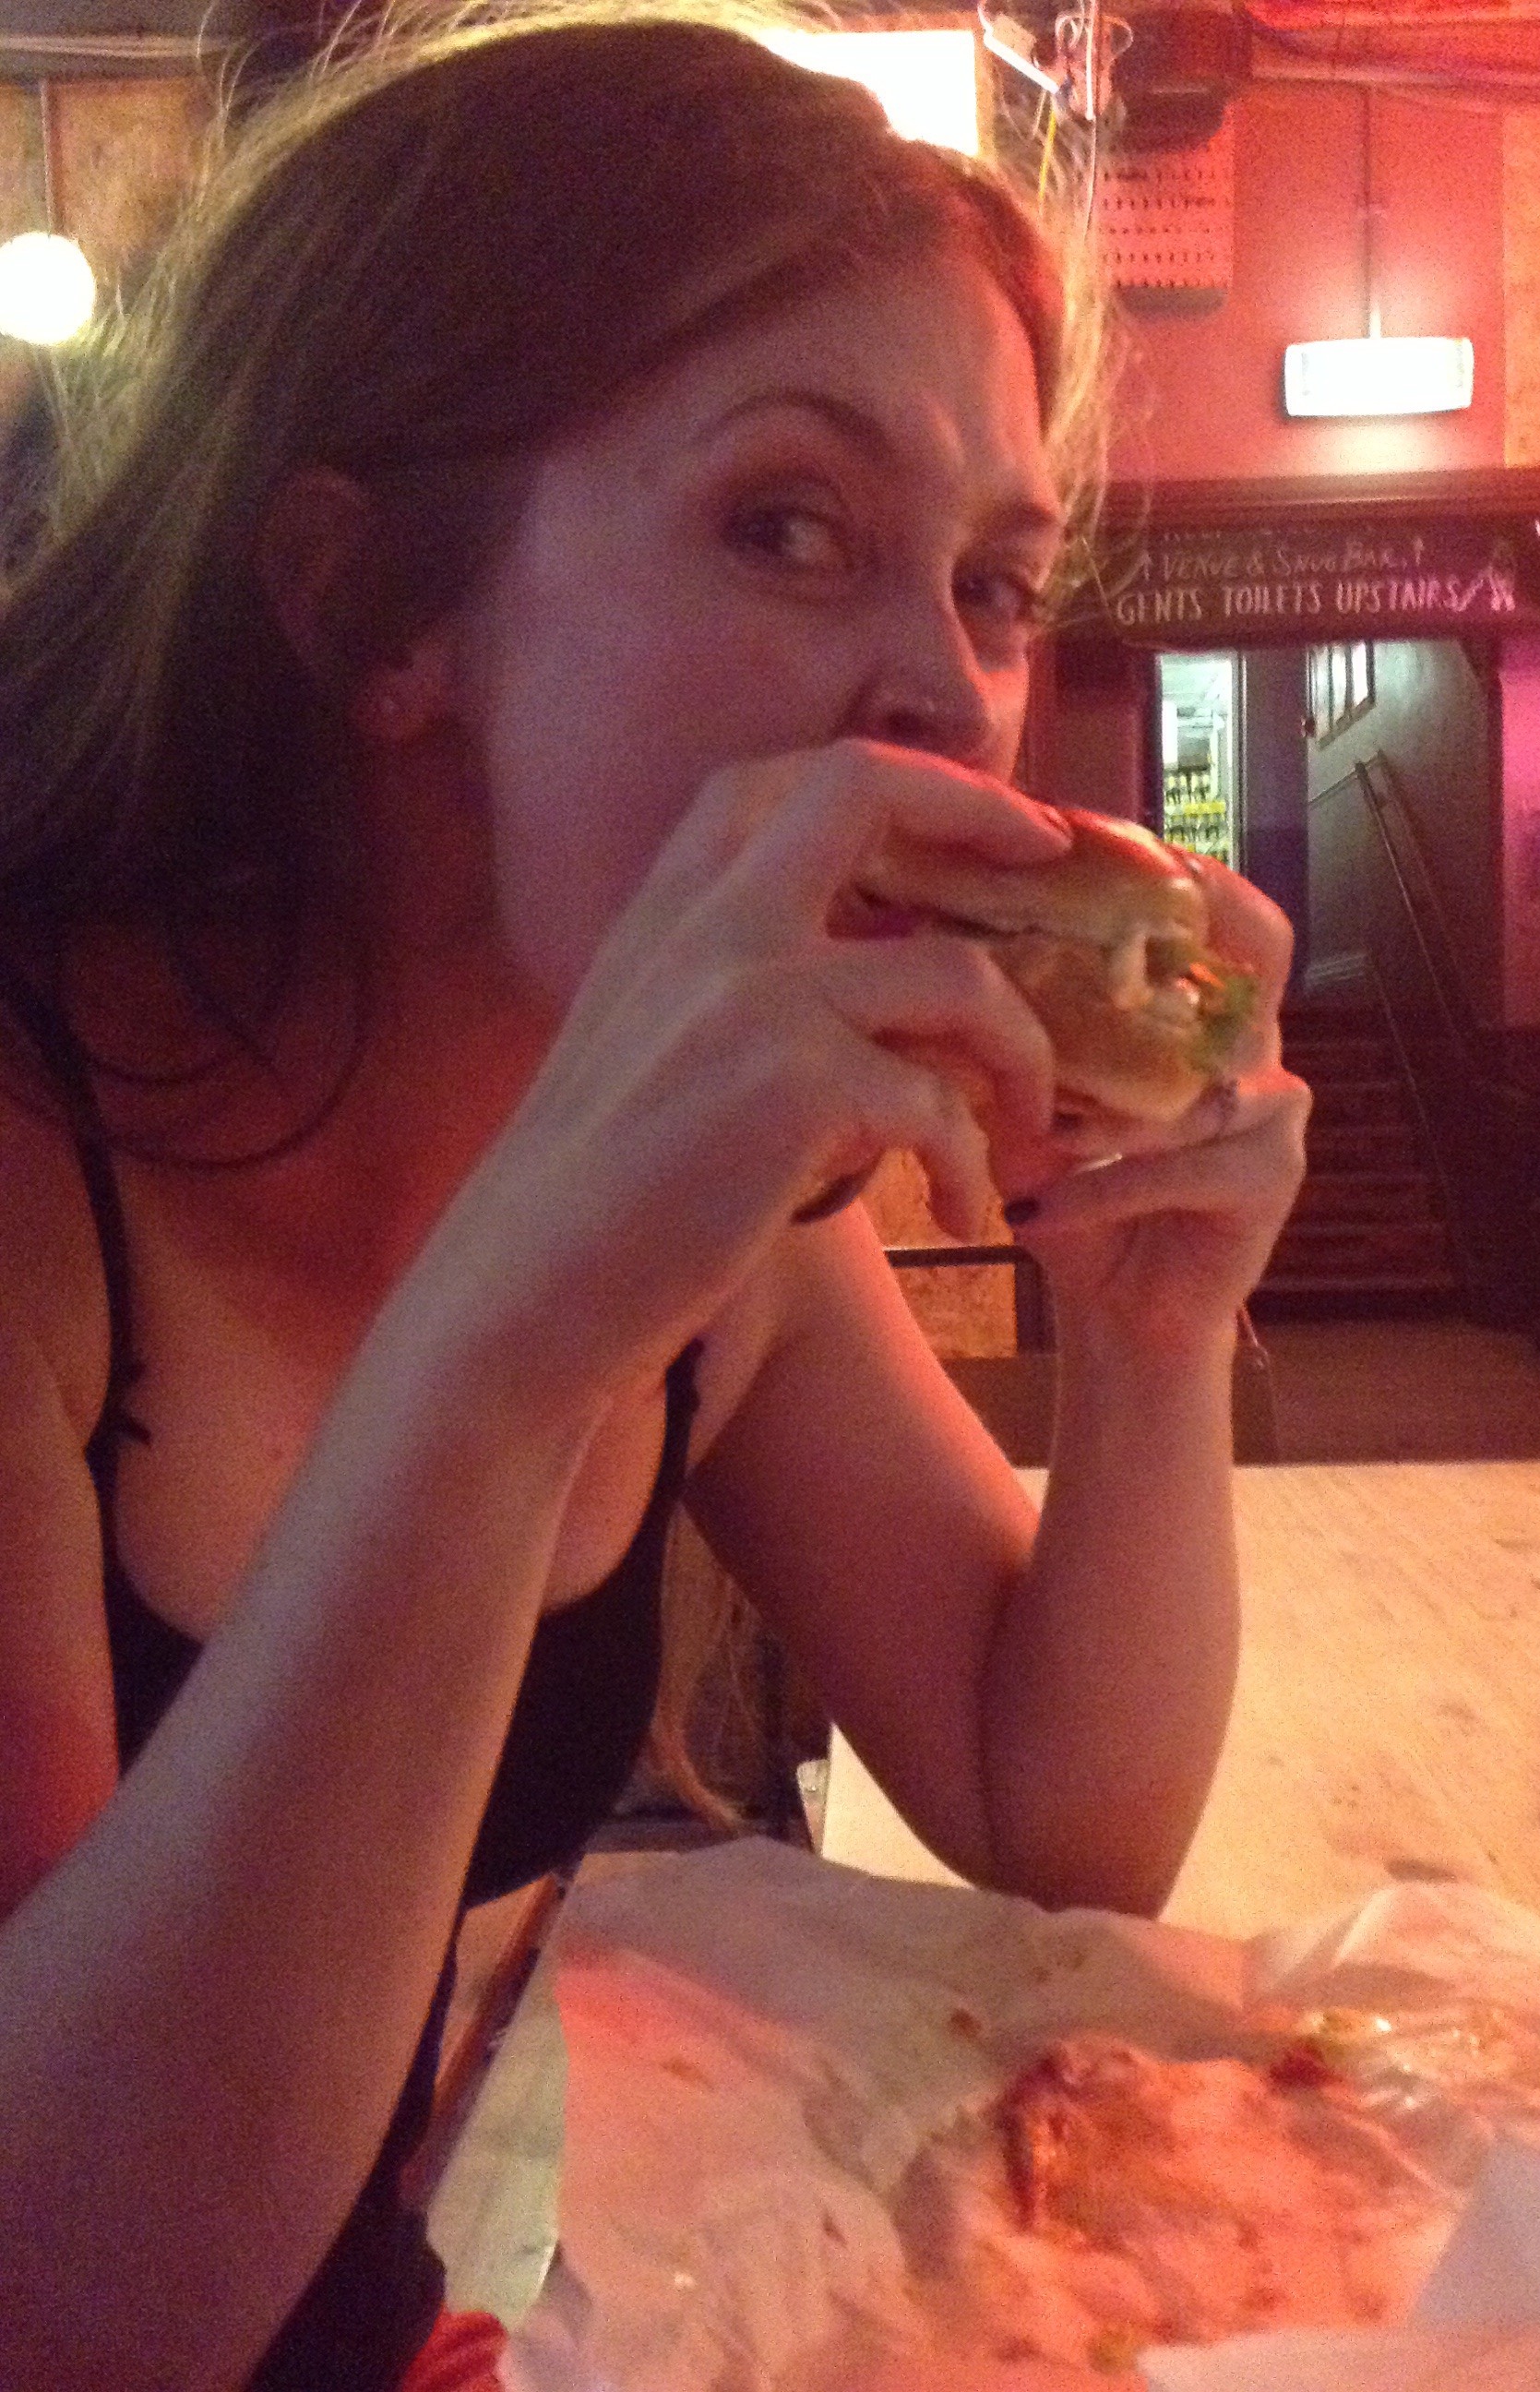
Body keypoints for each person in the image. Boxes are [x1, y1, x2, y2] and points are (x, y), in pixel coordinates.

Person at [0, 5, 1308, 2386]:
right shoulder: (37, 1165)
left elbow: (1061, 1827)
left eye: (996, 584)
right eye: (786, 524)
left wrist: (1148, 1331)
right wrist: (514, 1339)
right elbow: (61, 2304)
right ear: (376, 610)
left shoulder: (730, 1218)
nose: (947, 692)